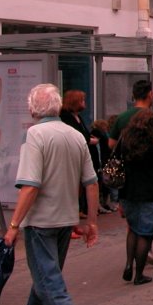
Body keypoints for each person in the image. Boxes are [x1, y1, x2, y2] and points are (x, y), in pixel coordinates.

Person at [3, 83, 98, 305]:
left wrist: (13, 226)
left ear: (32, 109)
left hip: (41, 222)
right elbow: (91, 183)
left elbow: (30, 186)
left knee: (50, 286)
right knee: (45, 281)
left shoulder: (34, 135)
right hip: (66, 220)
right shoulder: (76, 135)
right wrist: (91, 222)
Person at [117, 110, 153, 285]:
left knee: (133, 229)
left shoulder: (125, 141)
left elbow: (117, 163)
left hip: (127, 191)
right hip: (148, 193)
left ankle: (129, 264)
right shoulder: (152, 145)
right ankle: (139, 275)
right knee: (146, 232)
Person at [109, 80, 153, 186]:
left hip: (127, 173)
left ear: (133, 95)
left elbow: (111, 144)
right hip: (149, 174)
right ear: (150, 94)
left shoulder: (121, 118)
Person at [60, 90, 96, 219]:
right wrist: (89, 140)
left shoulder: (78, 117)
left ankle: (80, 208)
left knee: (82, 183)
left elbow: (84, 133)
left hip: (83, 153)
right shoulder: (66, 117)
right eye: (82, 101)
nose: (84, 103)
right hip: (72, 154)